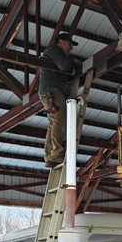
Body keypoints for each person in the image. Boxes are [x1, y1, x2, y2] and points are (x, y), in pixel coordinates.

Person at [38, 32, 78, 167]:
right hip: (52, 90)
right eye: (69, 44)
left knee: (53, 123)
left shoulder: (53, 55)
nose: (71, 48)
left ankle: (50, 155)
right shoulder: (53, 51)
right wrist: (73, 65)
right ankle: (56, 154)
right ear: (60, 42)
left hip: (48, 91)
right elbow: (65, 65)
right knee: (59, 120)